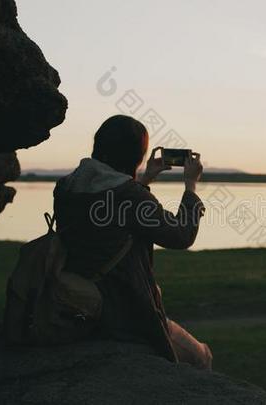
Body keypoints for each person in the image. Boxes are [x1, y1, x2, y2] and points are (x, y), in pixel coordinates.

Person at [53, 115, 212, 370]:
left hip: (76, 300)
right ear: (137, 156)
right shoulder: (130, 196)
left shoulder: (67, 186)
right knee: (202, 357)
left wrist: (145, 178)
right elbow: (181, 235)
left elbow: (108, 212)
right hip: (123, 313)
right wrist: (190, 185)